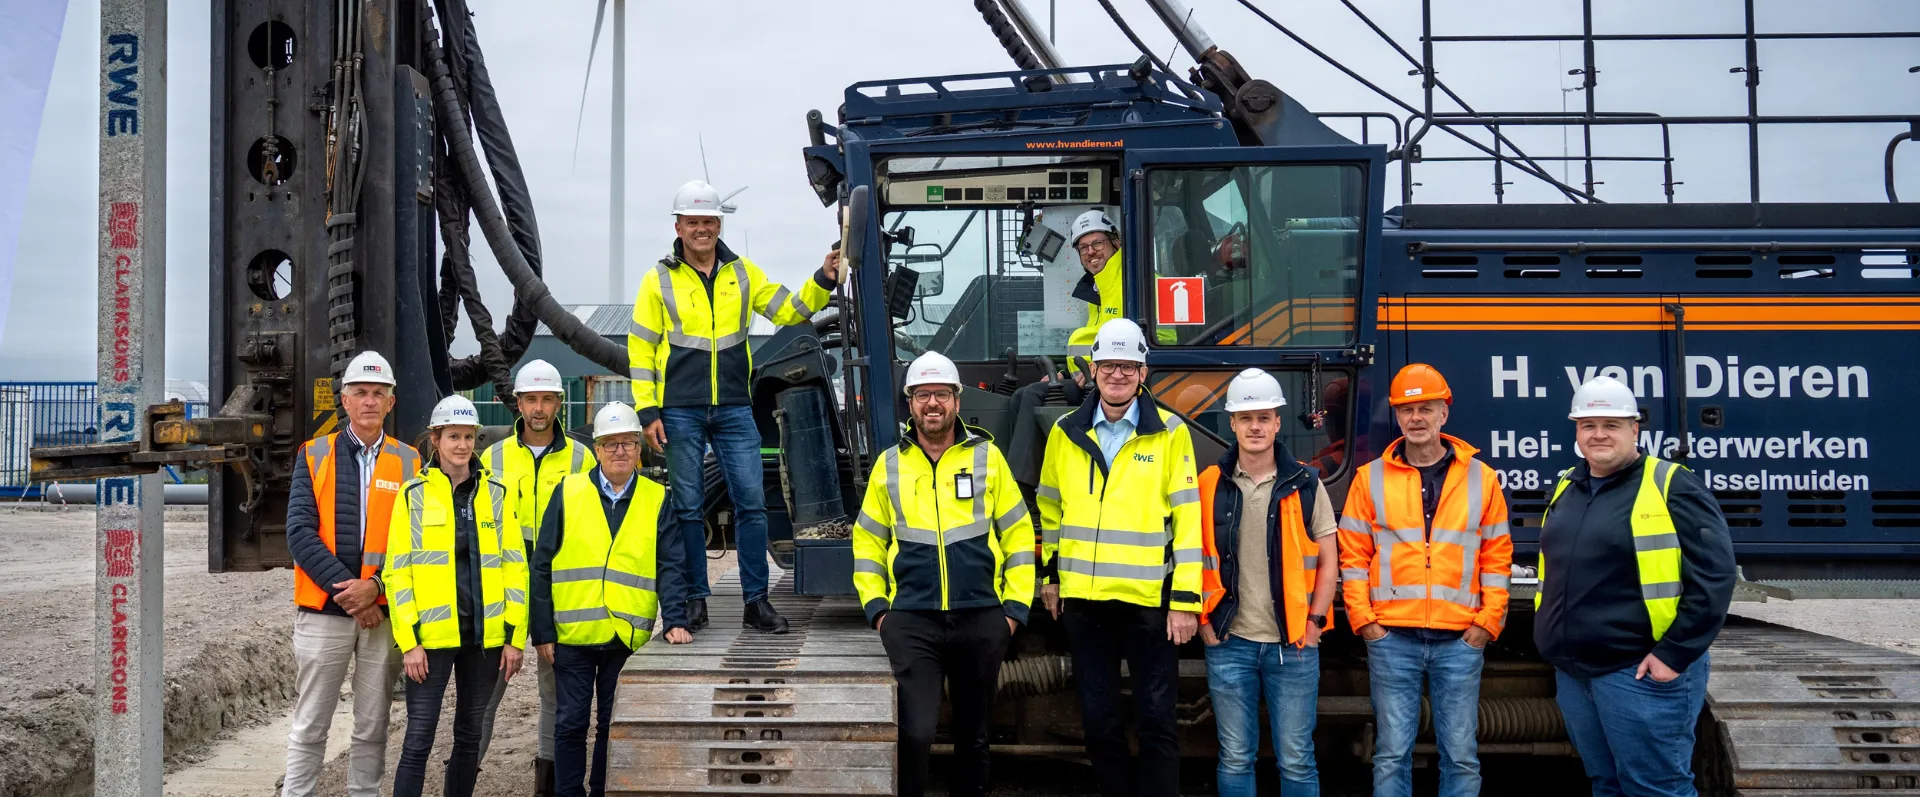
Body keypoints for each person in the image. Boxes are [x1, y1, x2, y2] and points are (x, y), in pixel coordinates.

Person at [627, 179, 838, 635]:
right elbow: (640, 348)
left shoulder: (743, 274)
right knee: (687, 507)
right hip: (679, 409)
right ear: (679, 226)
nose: (701, 229)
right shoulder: (657, 279)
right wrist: (647, 411)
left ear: (719, 224)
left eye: (708, 221)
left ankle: (756, 603)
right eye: (693, 222)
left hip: (734, 409)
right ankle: (695, 602)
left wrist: (823, 278)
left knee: (752, 506)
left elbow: (790, 309)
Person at [1536, 377, 1735, 797]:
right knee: (1606, 784)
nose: (1599, 434)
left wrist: (1674, 654)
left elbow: (1714, 577)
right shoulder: (1568, 486)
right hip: (1576, 672)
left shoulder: (1671, 484)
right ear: (1576, 432)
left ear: (1635, 430)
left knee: (1655, 787)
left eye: (1612, 424)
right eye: (1589, 425)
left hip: (1640, 673)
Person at [851, 352, 1036, 797]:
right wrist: (880, 612)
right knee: (915, 736)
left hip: (981, 618)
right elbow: (867, 543)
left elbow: (1018, 535)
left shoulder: (988, 458)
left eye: (941, 394)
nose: (931, 403)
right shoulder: (889, 466)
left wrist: (1011, 612)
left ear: (956, 400)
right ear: (910, 403)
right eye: (922, 395)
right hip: (912, 621)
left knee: (974, 738)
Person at [1036, 318, 1202, 797]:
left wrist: (1186, 599)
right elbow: (1050, 509)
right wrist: (1051, 577)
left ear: (1143, 373)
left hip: (1149, 604)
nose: (1118, 374)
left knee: (1157, 724)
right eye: (1109, 365)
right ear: (1092, 370)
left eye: (1128, 366)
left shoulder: (1170, 433)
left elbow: (1188, 521)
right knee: (1100, 722)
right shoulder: (1065, 433)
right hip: (1085, 606)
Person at [1337, 363, 1512, 797]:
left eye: (1426, 409)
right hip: (1392, 638)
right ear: (1396, 416)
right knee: (1392, 753)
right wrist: (1366, 624)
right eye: (1407, 409)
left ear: (1444, 414)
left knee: (1461, 754)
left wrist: (1485, 625)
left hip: (1460, 640)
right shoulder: (1370, 477)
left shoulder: (1482, 478)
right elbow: (1353, 556)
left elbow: (1497, 557)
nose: (1416, 418)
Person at [530, 401, 692, 797]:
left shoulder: (656, 498)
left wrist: (674, 620)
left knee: (610, 723)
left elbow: (671, 563)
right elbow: (542, 564)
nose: (621, 451)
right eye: (611, 444)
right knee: (569, 723)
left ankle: (601, 790)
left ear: (640, 448)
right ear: (598, 449)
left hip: (624, 633)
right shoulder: (568, 492)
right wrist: (543, 630)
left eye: (629, 443)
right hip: (573, 634)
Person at [282, 350, 422, 797]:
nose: (368, 401)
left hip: (381, 614)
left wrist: (375, 590)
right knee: (311, 724)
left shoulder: (411, 462)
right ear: (344, 400)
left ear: (390, 403)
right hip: (325, 611)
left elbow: (414, 542)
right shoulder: (313, 454)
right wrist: (350, 595)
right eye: (360, 392)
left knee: (372, 724)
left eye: (377, 393)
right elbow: (299, 533)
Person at [1196, 369, 1339, 797]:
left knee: (1296, 758)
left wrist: (1314, 624)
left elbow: (1330, 560)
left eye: (1264, 417)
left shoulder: (1306, 483)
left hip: (1292, 645)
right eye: (1246, 418)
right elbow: (1189, 559)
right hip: (1230, 641)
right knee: (1236, 756)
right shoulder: (1208, 485)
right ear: (1232, 424)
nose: (1255, 426)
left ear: (1277, 423)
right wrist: (1206, 625)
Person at [384, 395, 526, 797]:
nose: (462, 445)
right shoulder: (413, 495)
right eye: (453, 437)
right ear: (435, 440)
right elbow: (398, 573)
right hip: (430, 643)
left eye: (469, 437)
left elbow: (515, 567)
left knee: (469, 736)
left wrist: (515, 637)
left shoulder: (496, 494)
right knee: (418, 739)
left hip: (484, 641)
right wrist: (409, 644)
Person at [476, 359, 597, 794]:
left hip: (556, 591)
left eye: (547, 399)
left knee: (555, 694)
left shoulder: (582, 458)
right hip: (505, 588)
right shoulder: (493, 457)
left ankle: (546, 787)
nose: (539, 408)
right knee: (484, 695)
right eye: (531, 399)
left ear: (559, 403)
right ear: (518, 403)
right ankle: (462, 777)